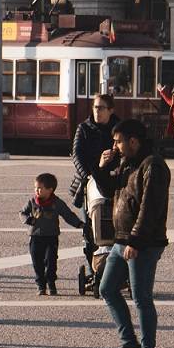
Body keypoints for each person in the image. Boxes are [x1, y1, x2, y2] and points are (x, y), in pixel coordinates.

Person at [89, 118, 170, 348]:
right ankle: (129, 346)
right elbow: (112, 189)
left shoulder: (152, 166)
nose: (115, 146)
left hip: (142, 243)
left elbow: (150, 208)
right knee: (107, 288)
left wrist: (136, 240)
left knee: (141, 298)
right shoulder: (127, 162)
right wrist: (101, 169)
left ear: (133, 141)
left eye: (119, 141)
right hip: (121, 240)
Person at [67, 94, 116, 266]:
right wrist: (89, 174)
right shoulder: (84, 128)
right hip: (88, 184)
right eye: (95, 107)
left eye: (101, 108)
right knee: (90, 229)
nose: (97, 111)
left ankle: (117, 269)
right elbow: (77, 155)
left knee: (116, 228)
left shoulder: (118, 128)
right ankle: (93, 269)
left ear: (111, 110)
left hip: (113, 182)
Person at [21, 172, 83, 296]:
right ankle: (41, 285)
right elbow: (22, 212)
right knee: (37, 262)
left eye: (40, 188)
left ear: (50, 190)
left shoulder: (56, 202)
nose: (37, 191)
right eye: (35, 188)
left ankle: (51, 283)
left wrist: (79, 224)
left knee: (51, 262)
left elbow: (67, 215)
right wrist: (28, 219)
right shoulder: (32, 201)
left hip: (51, 237)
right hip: (35, 237)